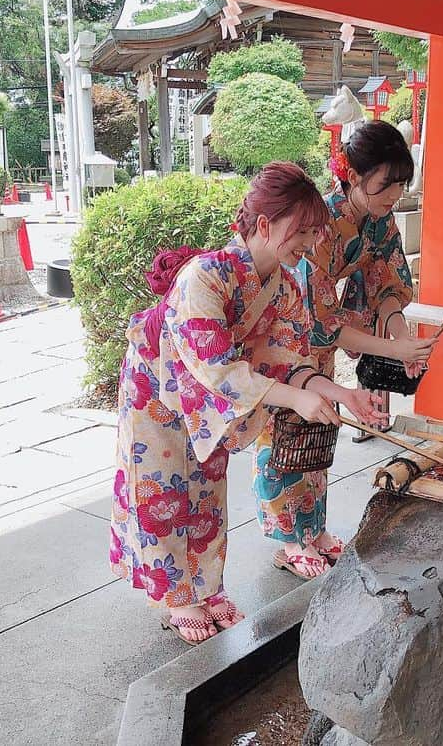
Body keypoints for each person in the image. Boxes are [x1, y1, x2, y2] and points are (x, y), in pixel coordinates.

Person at [110, 162, 387, 644]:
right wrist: (295, 399)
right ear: (264, 224)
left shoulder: (281, 284)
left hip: (214, 401)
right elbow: (218, 367)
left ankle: (207, 587)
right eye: (301, 232)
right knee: (162, 489)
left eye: (313, 233)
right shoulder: (204, 277)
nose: (309, 244)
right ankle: (178, 597)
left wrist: (342, 394)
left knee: (207, 488)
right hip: (156, 386)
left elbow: (286, 358)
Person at [253, 120, 435, 581]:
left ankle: (312, 529)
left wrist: (398, 335)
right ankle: (286, 540)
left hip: (322, 344)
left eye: (400, 184)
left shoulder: (380, 219)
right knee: (286, 437)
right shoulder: (318, 224)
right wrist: (392, 350)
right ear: (353, 176)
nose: (394, 193)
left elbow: (387, 285)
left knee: (320, 433)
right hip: (287, 337)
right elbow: (321, 319)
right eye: (384, 184)